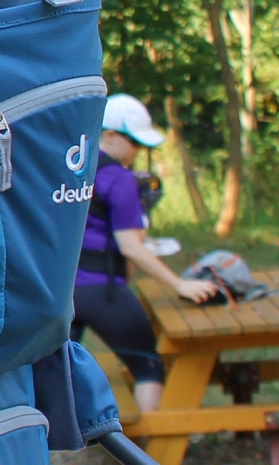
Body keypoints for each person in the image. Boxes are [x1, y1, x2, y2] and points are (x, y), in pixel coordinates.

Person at [72, 93, 218, 412]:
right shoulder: (120, 179)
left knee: (56, 370)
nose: (139, 152)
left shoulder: (72, 168)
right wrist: (180, 285)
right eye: (135, 143)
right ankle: (153, 451)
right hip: (102, 290)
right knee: (148, 366)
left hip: (60, 291)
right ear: (110, 135)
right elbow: (131, 248)